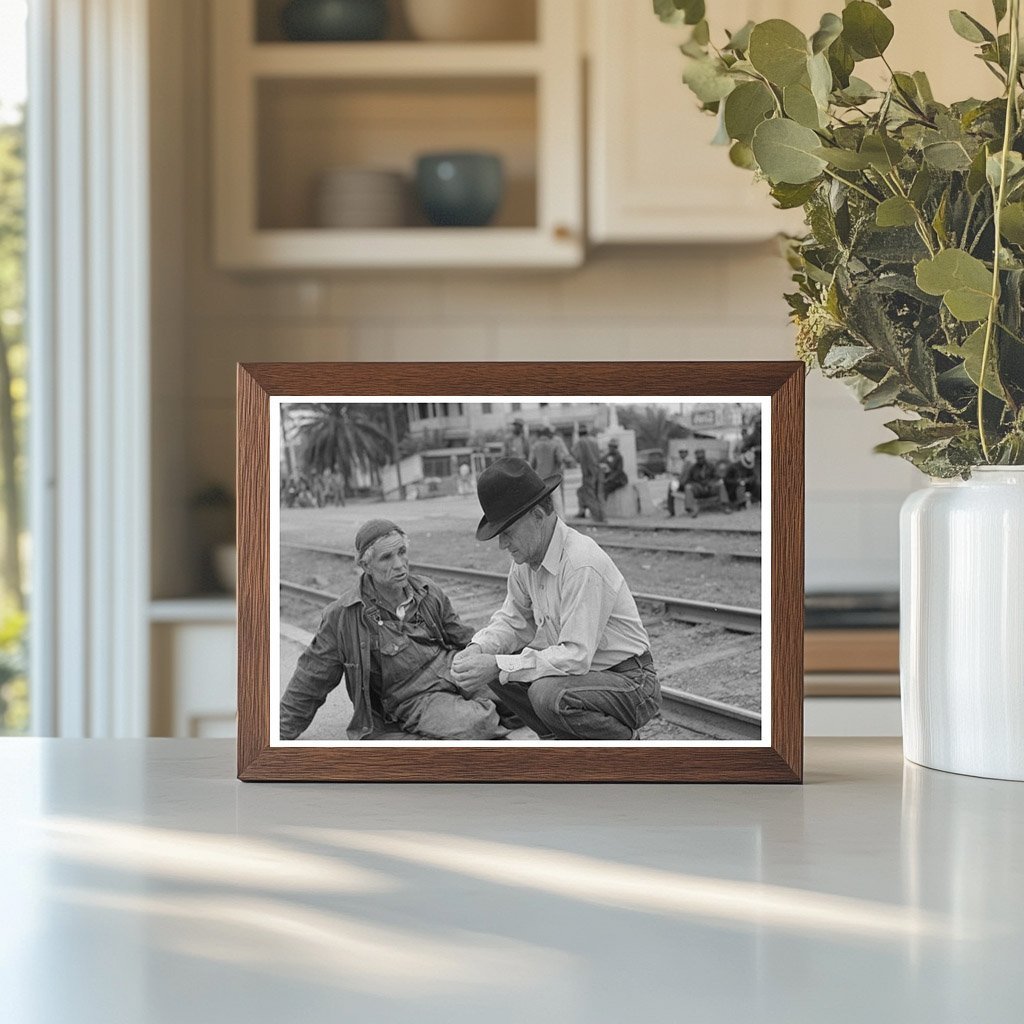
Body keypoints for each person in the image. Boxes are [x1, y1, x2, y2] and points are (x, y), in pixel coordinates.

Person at [450, 459, 661, 740]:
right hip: (587, 680)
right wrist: (477, 650)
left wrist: (498, 664)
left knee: (544, 693)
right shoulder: (526, 561)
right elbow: (513, 623)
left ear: (538, 515)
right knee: (495, 667)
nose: (502, 544)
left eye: (507, 532)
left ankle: (625, 747)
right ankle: (561, 741)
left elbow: (575, 656)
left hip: (632, 683)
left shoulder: (580, 562)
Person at [279, 519, 505, 741]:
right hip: (416, 698)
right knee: (479, 724)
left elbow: (464, 637)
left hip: (454, 670)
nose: (399, 564)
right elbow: (310, 679)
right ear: (366, 566)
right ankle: (468, 718)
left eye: (402, 552)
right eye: (386, 557)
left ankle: (474, 713)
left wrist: (495, 662)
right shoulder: (344, 615)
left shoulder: (427, 590)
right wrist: (276, 736)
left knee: (517, 687)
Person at [681, 448, 730, 518]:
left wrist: (710, 483)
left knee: (720, 484)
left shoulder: (711, 466)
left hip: (710, 487)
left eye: (702, 458)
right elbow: (688, 480)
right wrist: (696, 485)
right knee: (688, 487)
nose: (700, 460)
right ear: (696, 458)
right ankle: (691, 509)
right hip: (699, 489)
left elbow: (716, 477)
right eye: (699, 458)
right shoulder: (693, 468)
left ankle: (725, 506)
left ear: (704, 457)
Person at [572, 424, 605, 522]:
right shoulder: (594, 440)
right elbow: (600, 455)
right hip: (597, 470)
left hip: (588, 472)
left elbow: (577, 456)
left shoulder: (581, 442)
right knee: (597, 494)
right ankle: (602, 517)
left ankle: (597, 518)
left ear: (579, 433)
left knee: (590, 495)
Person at [529, 423, 564, 514]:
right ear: (549, 434)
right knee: (557, 504)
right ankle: (561, 524)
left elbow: (532, 463)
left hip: (540, 480)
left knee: (543, 505)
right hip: (553, 478)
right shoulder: (555, 444)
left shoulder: (535, 446)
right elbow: (559, 459)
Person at [666, 447, 694, 517]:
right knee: (671, 487)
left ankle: (688, 508)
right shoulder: (677, 462)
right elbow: (673, 471)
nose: (682, 454)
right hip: (678, 480)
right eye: (681, 452)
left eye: (684, 452)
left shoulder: (689, 462)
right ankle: (671, 511)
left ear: (687, 453)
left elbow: (689, 473)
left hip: (687, 481)